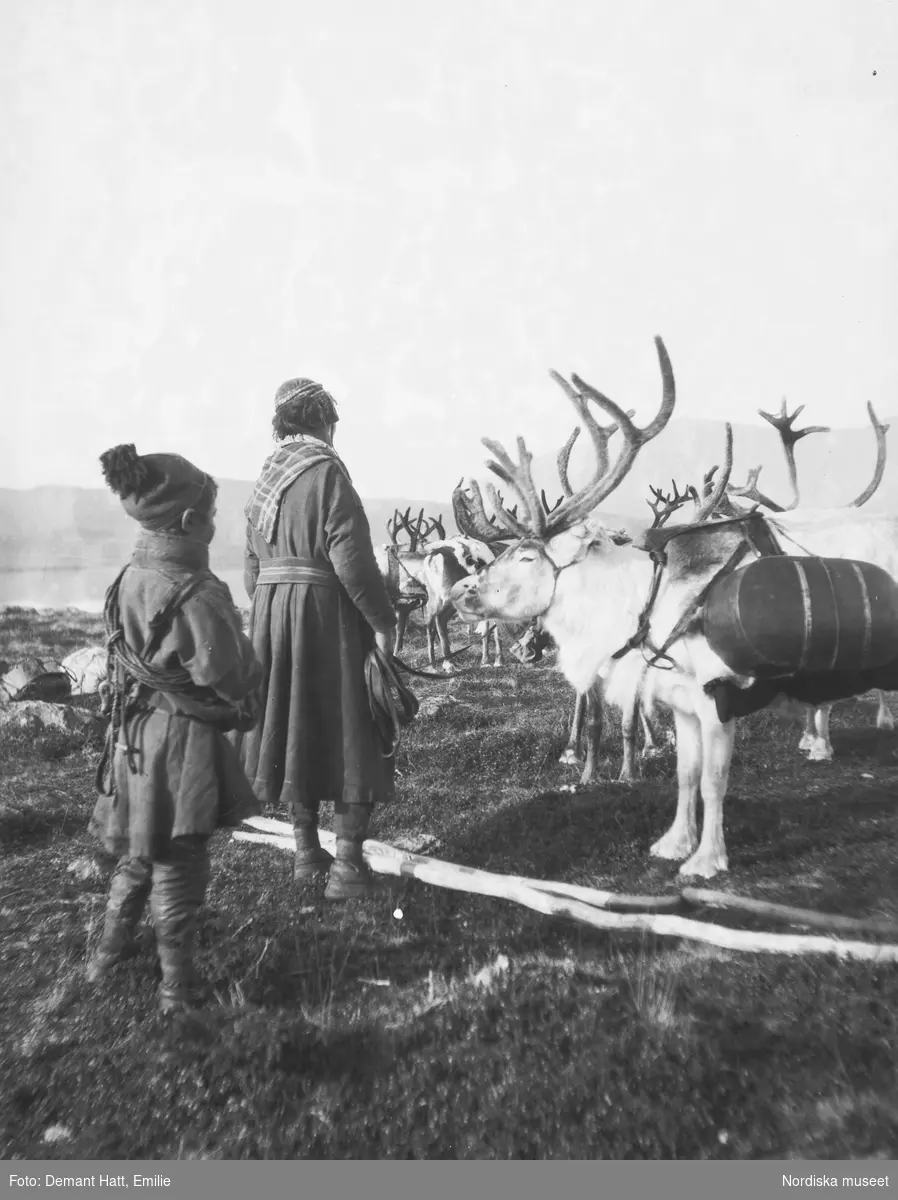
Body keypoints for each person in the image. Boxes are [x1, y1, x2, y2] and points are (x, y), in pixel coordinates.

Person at [87, 443, 263, 1014]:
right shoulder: (197, 591)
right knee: (179, 867)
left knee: (139, 852)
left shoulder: (129, 577)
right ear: (192, 522)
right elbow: (229, 677)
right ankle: (177, 992)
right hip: (178, 748)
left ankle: (106, 958)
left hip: (132, 739)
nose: (214, 525)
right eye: (212, 515)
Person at [235, 377, 398, 901]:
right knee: (356, 725)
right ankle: (347, 868)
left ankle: (307, 853)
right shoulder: (327, 472)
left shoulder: (265, 480)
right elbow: (352, 562)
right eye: (332, 421)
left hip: (271, 618)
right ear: (322, 419)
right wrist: (383, 620)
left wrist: (273, 603)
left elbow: (249, 573)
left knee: (290, 730)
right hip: (324, 617)